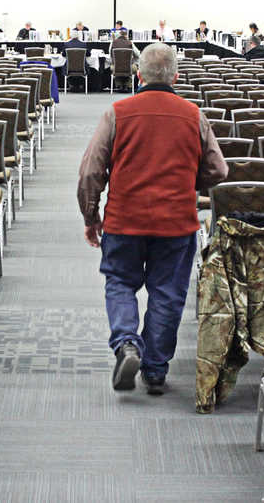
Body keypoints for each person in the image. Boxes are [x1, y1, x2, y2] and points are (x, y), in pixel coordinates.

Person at [78, 42, 228, 395]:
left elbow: (90, 172)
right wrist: (190, 182)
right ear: (176, 76)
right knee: (168, 293)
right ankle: (156, 369)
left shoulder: (117, 112)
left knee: (119, 283)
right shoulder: (193, 115)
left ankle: (127, 343)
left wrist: (90, 215)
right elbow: (219, 169)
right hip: (176, 222)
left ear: (138, 74)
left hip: (124, 219)